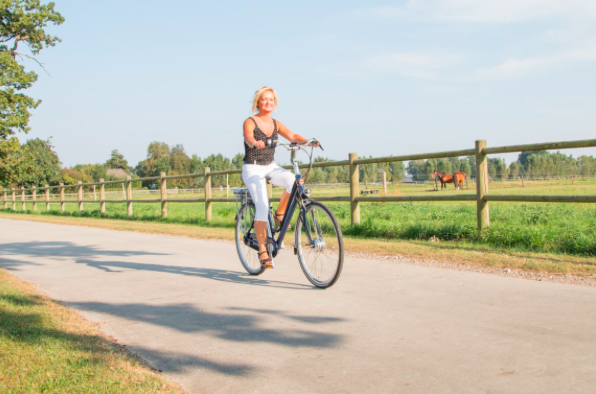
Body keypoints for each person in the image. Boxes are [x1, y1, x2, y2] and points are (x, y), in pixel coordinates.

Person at [241, 86, 318, 269]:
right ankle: (262, 250)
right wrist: (254, 142)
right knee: (262, 206)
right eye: (264, 99)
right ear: (258, 102)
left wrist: (308, 141)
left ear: (274, 104)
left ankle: (280, 214)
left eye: (271, 100)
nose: (268, 102)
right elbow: (248, 136)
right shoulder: (250, 121)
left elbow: (292, 136)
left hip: (270, 166)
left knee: (293, 181)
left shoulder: (276, 123)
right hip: (253, 168)